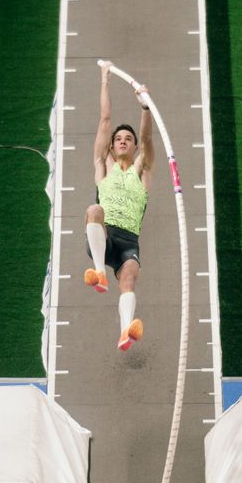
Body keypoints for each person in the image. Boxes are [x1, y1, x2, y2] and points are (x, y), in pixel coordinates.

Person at [84, 61, 155, 351]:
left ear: (134, 146)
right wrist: (104, 79)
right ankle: (99, 271)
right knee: (94, 210)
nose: (123, 141)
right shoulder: (104, 166)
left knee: (129, 278)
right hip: (105, 236)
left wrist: (145, 107)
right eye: (118, 139)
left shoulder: (143, 170)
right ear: (111, 147)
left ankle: (126, 330)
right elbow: (104, 120)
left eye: (128, 139)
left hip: (129, 242)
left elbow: (148, 138)